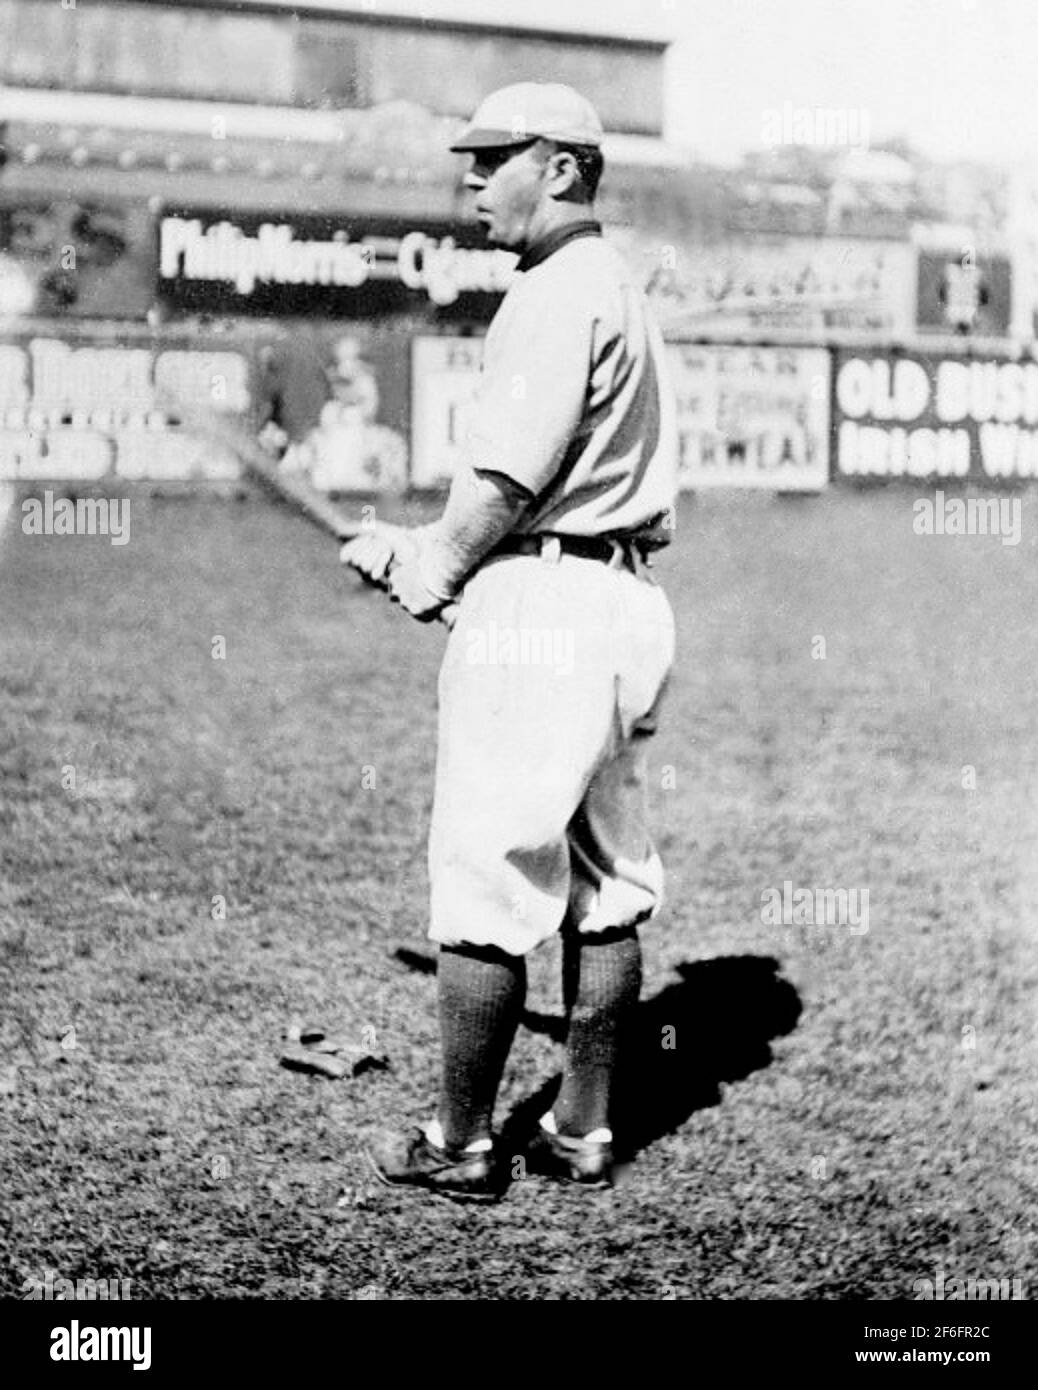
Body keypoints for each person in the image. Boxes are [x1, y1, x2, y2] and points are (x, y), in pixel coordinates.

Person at [341, 82, 678, 1202]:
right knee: (605, 879)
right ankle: (580, 1127)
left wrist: (430, 561)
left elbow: (504, 479)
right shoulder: (617, 288)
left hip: (543, 609)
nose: (470, 179)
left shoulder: (548, 290)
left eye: (493, 158)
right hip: (622, 601)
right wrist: (420, 547)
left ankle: (459, 1139)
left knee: (488, 876)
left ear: (565, 169)